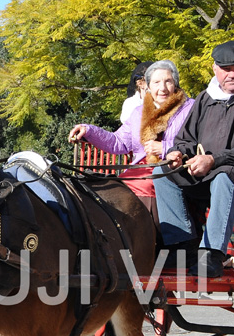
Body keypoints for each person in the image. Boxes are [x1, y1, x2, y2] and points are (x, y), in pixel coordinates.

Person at [155, 40, 234, 277]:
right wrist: (178, 153)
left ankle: (211, 255)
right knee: (162, 172)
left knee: (225, 176)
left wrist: (213, 160)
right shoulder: (205, 98)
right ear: (215, 69)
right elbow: (186, 138)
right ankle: (183, 247)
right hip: (206, 172)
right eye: (226, 69)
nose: (233, 74)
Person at [68, 60, 195, 218]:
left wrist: (164, 148)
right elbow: (118, 143)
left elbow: (198, 143)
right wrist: (89, 130)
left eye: (168, 81)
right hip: (137, 171)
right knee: (113, 187)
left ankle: (159, 238)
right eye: (156, 82)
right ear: (148, 86)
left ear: (175, 83)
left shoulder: (191, 109)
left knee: (144, 185)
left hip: (174, 171)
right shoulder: (138, 112)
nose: (162, 88)